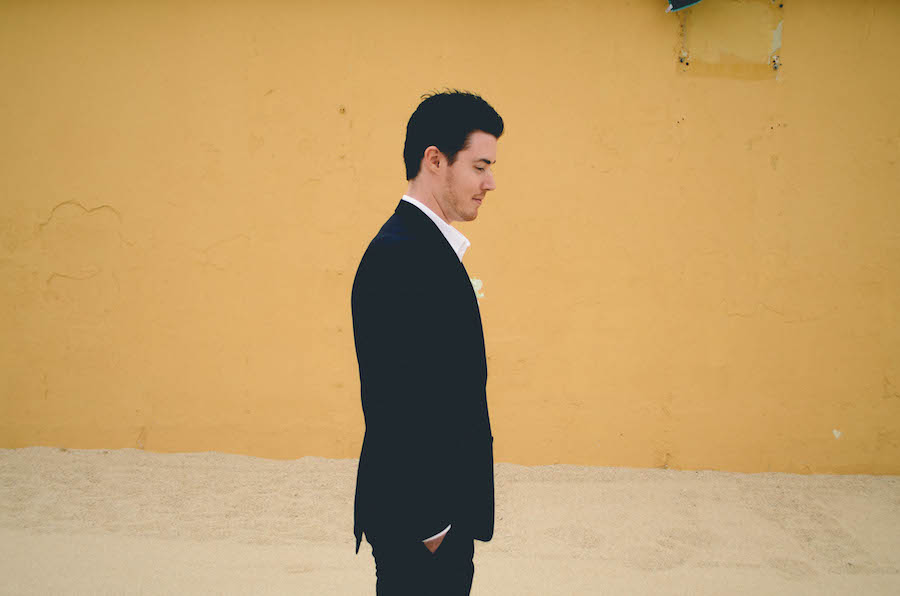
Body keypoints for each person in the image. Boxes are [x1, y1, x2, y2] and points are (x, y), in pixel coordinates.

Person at [351, 90, 504, 595]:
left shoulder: (424, 247)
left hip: (434, 518)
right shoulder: (401, 255)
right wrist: (432, 525)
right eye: (479, 166)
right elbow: (394, 399)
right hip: (421, 527)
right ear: (435, 160)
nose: (490, 182)